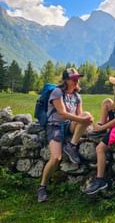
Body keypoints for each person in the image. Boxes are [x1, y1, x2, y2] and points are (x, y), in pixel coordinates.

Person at [38, 67, 94, 202]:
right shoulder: (57, 92)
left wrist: (86, 121)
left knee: (87, 115)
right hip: (55, 126)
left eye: (77, 78)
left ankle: (71, 145)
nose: (76, 81)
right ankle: (42, 187)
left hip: (69, 125)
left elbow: (80, 115)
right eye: (73, 78)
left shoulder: (77, 96)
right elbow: (62, 113)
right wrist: (84, 120)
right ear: (66, 80)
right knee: (56, 158)